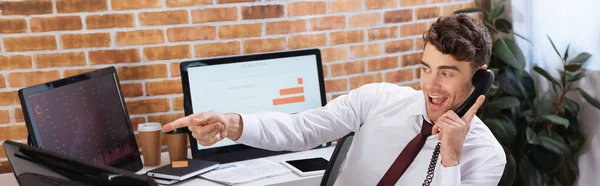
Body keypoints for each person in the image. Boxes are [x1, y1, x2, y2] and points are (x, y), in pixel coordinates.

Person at [162, 14, 506, 186]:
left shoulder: (486, 156)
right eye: (425, 68)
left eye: (446, 73)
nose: (431, 84)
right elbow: (300, 128)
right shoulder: (378, 99)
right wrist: (231, 123)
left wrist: (451, 157)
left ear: (478, 79)